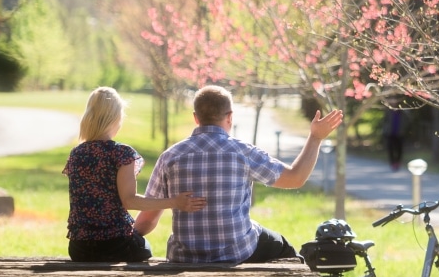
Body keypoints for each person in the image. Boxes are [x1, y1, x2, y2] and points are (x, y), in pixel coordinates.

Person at [134, 85, 344, 264]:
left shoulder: (170, 156)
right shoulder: (243, 152)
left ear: (196, 118)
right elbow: (296, 178)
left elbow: (147, 220)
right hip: (236, 252)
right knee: (285, 250)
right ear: (230, 117)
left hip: (185, 255)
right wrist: (315, 137)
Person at [64, 87, 206, 262]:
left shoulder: (76, 154)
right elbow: (130, 201)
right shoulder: (121, 153)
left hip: (79, 248)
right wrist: (174, 202)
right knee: (145, 248)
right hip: (116, 245)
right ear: (116, 117)